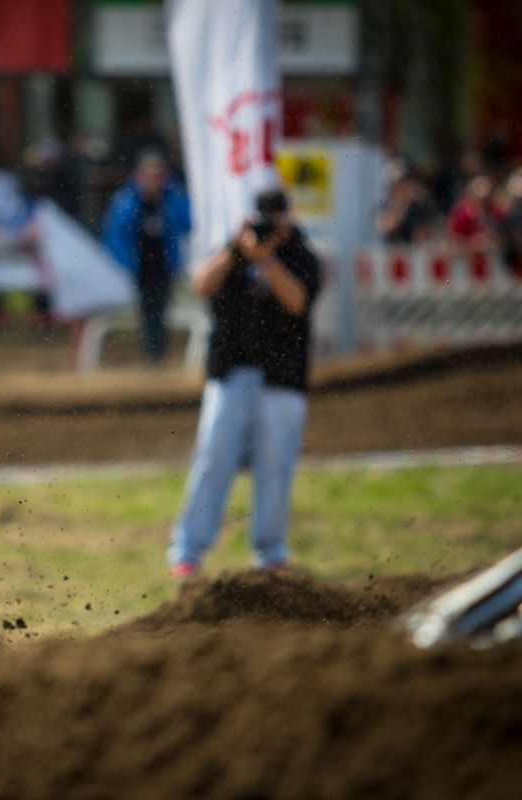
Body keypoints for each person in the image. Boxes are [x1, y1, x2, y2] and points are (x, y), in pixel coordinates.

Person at [168, 189, 321, 577]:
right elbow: (200, 285)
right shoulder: (232, 252)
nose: (270, 225)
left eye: (276, 216)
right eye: (263, 216)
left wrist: (267, 260)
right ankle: (187, 550)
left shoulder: (302, 255)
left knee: (275, 466)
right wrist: (236, 250)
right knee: (212, 460)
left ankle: (271, 553)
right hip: (230, 372)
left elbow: (297, 301)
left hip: (282, 377)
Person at [101, 149, 191, 364]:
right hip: (138, 266)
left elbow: (188, 222)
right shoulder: (126, 199)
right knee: (147, 310)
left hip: (163, 264)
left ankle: (157, 355)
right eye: (149, 174)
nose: (154, 179)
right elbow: (115, 234)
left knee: (160, 309)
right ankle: (150, 354)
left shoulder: (173, 197)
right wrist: (123, 265)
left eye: (158, 174)